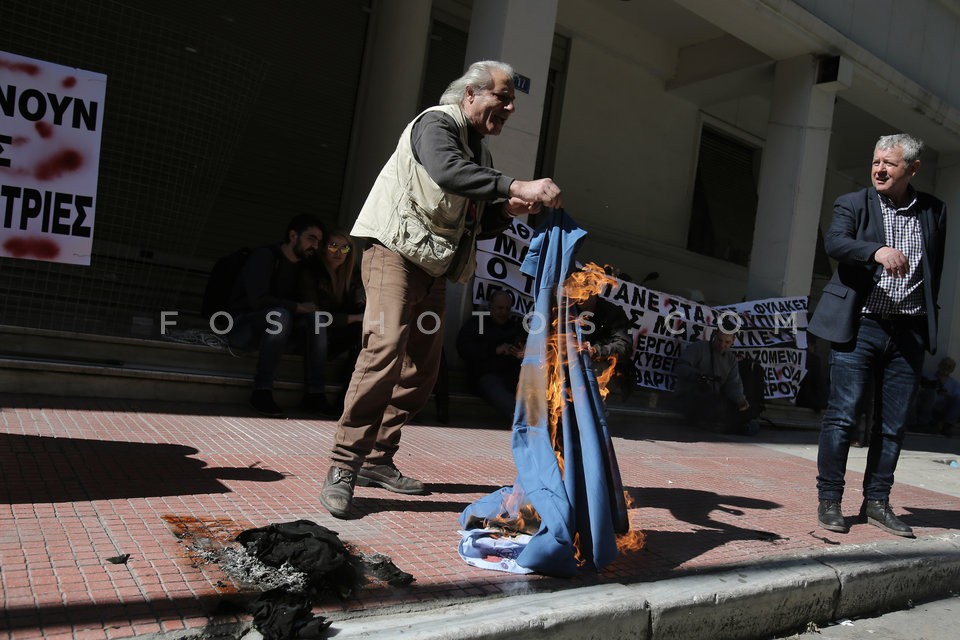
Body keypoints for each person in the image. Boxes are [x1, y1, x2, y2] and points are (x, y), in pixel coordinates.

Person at [318, 60, 563, 518]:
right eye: (502, 97)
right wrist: (517, 184)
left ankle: (377, 458)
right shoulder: (436, 123)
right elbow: (447, 172)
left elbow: (479, 222)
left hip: (433, 267)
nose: (509, 108)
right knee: (385, 348)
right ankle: (343, 464)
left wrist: (508, 208)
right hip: (393, 252)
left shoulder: (481, 155)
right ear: (470, 94)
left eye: (511, 100)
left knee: (423, 369)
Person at [808, 134, 947, 538]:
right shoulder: (853, 203)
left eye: (889, 163)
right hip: (861, 326)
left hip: (908, 332)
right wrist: (876, 251)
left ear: (913, 169)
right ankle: (830, 500)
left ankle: (877, 503)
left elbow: (933, 269)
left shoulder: (935, 211)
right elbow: (835, 242)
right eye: (875, 162)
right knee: (842, 417)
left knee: (893, 425)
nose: (879, 169)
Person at [227, 214, 327, 418]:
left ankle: (315, 394)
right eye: (311, 239)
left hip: (279, 332)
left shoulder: (305, 268)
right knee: (280, 315)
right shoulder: (265, 256)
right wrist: (298, 307)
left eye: (318, 242)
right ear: (293, 235)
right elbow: (258, 301)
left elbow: (311, 307)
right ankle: (261, 390)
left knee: (317, 320)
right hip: (243, 328)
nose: (315, 246)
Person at [299, 229, 365, 415]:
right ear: (322, 248)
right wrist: (351, 318)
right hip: (306, 331)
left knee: (368, 328)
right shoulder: (310, 271)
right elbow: (314, 311)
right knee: (318, 321)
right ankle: (314, 394)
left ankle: (347, 397)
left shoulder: (351, 275)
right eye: (333, 246)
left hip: (335, 333)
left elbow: (357, 305)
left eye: (345, 248)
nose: (339, 253)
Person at [673, 318, 760, 435]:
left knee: (743, 413)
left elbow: (733, 384)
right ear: (714, 335)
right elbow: (680, 367)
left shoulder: (731, 359)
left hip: (714, 400)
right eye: (719, 340)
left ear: (733, 341)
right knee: (716, 409)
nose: (722, 345)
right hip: (692, 396)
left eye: (727, 342)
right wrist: (698, 375)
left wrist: (740, 400)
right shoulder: (699, 348)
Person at [456, 289, 526, 420]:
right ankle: (521, 420)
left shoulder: (515, 327)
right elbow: (464, 349)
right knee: (501, 395)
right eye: (499, 308)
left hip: (513, 376)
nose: (503, 312)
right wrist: (494, 350)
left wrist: (523, 354)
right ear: (490, 306)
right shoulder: (479, 323)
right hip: (486, 376)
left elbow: (527, 347)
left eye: (507, 309)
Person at [913, 357, 960, 438]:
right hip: (925, 406)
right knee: (931, 393)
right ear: (939, 365)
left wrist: (948, 395)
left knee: (957, 399)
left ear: (952, 370)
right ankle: (923, 424)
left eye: (949, 366)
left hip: (941, 410)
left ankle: (947, 426)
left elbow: (956, 398)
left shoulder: (954, 384)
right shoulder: (927, 376)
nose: (946, 367)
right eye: (944, 364)